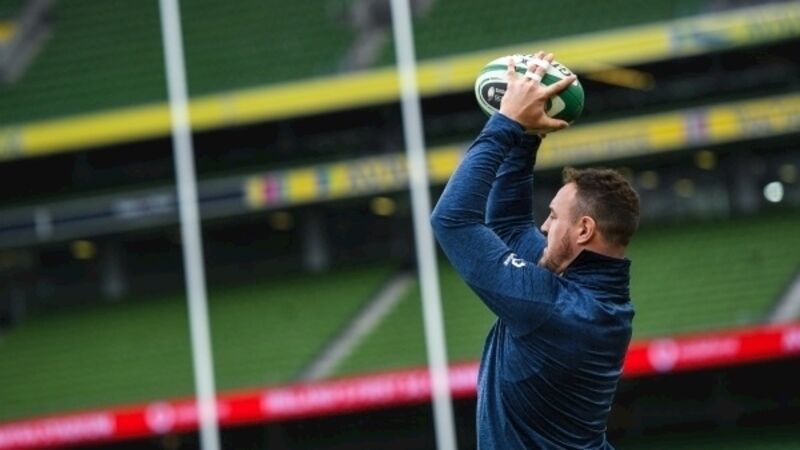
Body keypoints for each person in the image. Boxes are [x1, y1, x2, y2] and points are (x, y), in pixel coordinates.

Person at [430, 51, 640, 449]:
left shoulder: (556, 308)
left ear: (584, 230)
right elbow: (509, 225)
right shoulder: (584, 292)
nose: (543, 226)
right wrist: (527, 137)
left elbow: (453, 220)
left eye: (554, 216)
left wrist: (506, 124)